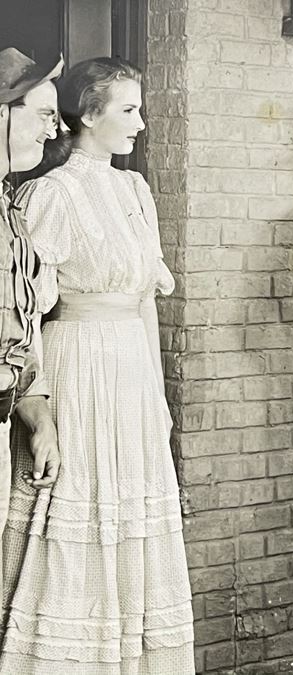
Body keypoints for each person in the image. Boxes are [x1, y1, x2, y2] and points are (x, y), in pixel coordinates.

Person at [0, 57, 194, 673]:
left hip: (131, 379)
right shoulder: (47, 193)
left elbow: (144, 303)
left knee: (136, 520)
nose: (141, 123)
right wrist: (43, 404)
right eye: (129, 110)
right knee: (77, 514)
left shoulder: (135, 191)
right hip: (75, 372)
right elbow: (24, 314)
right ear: (89, 114)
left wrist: (158, 400)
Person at [0, 47, 62, 594]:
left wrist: (38, 419)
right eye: (44, 113)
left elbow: (19, 331)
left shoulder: (11, 209)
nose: (55, 128)